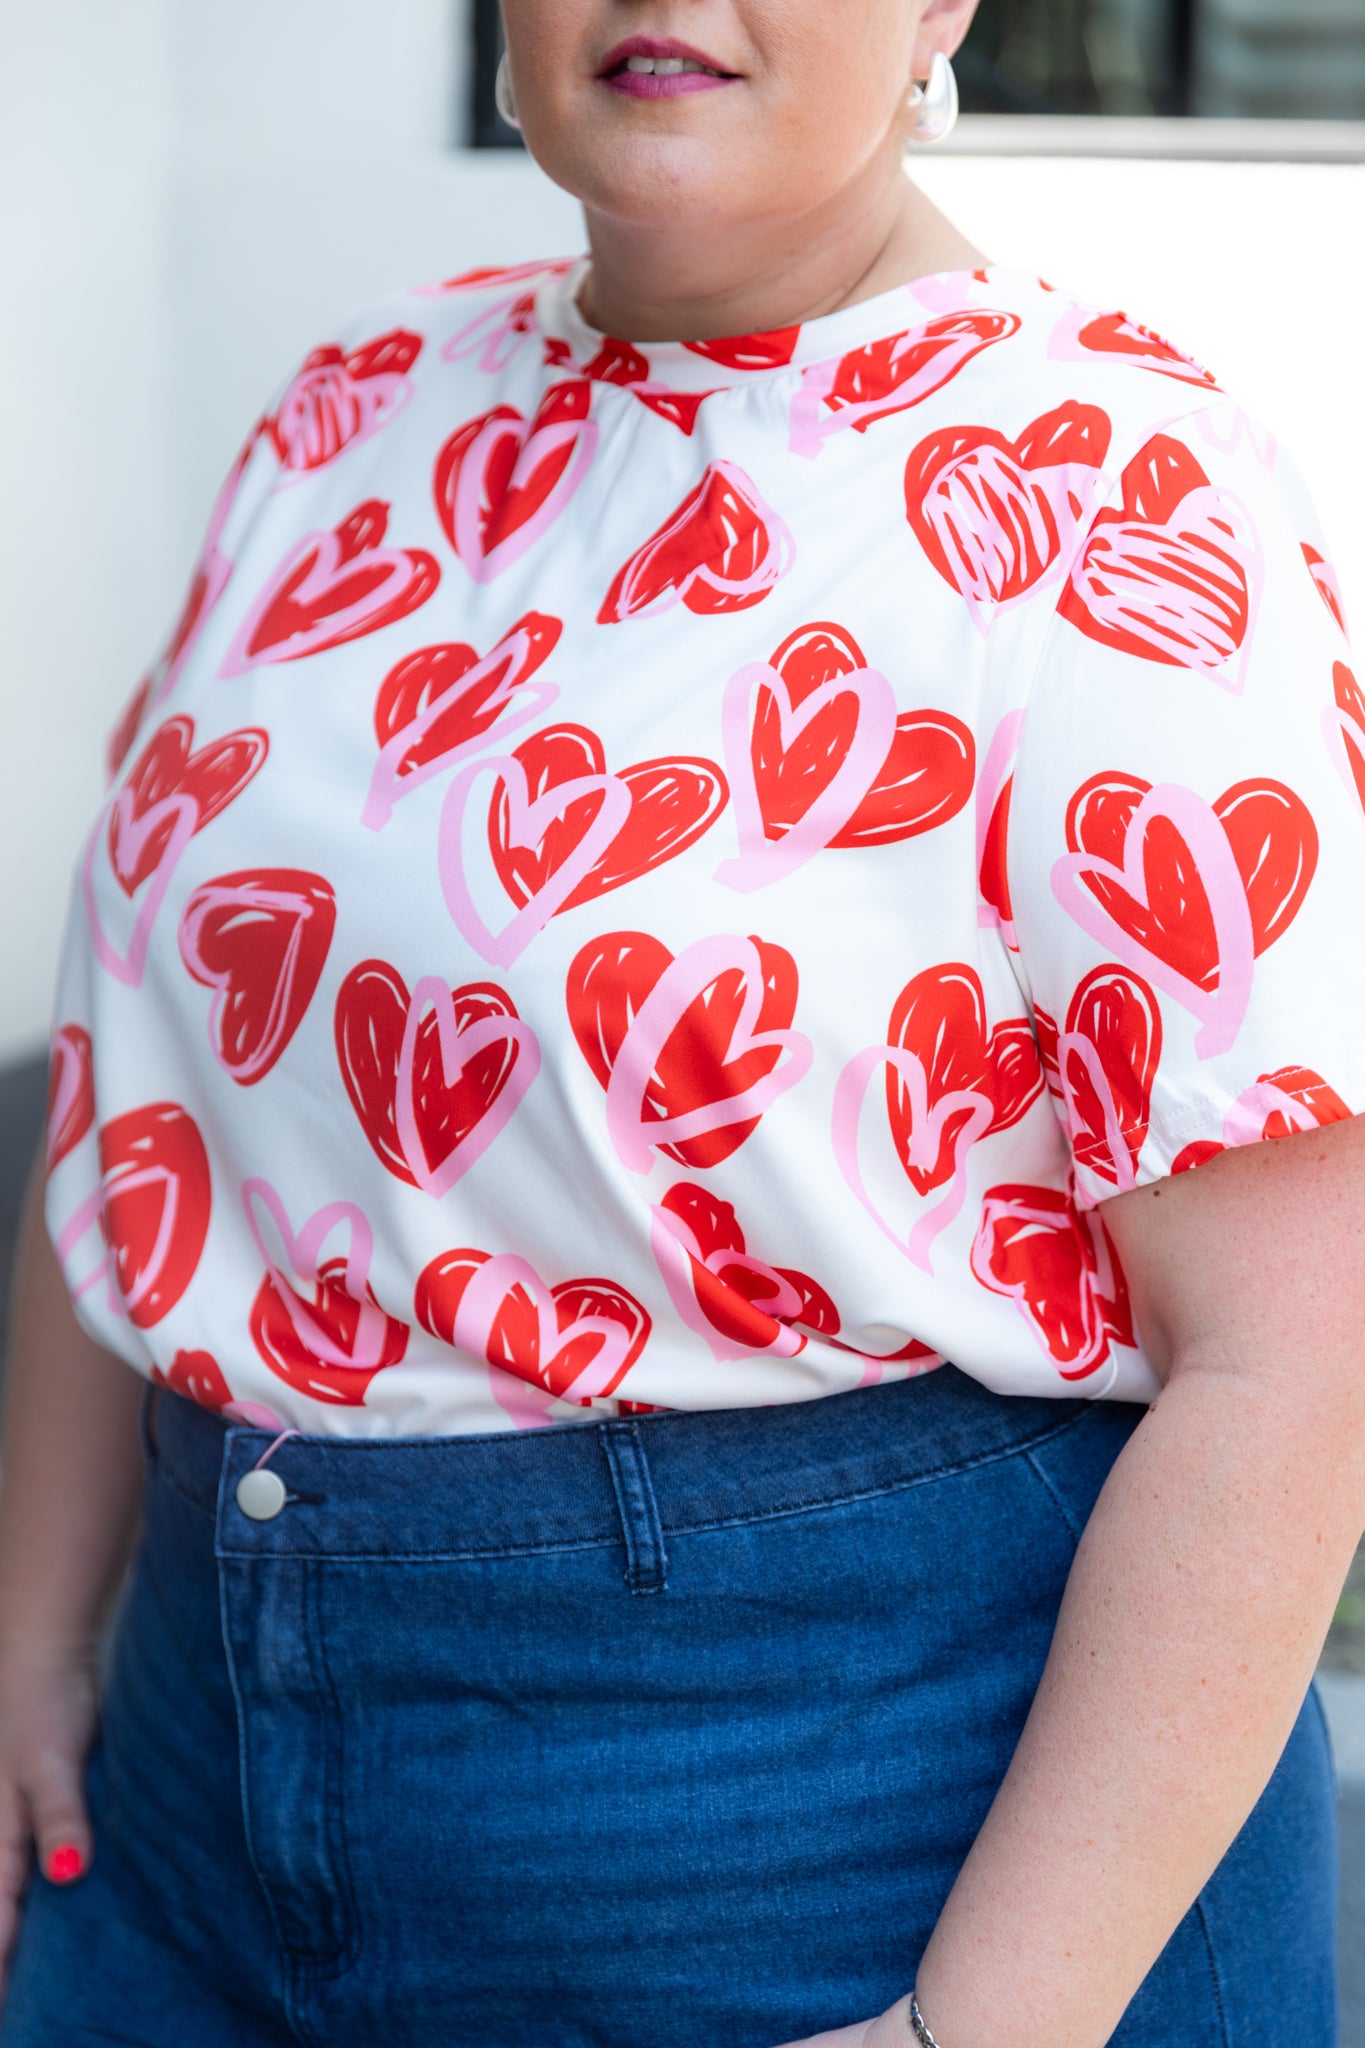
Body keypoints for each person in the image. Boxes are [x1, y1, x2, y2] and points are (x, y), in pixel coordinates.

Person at [1, 0, 1363, 2041]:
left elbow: (1295, 1354)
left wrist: (971, 2027)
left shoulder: (1111, 496)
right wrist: (29, 1638)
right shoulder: (351, 407)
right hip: (193, 1797)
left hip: (835, 1845)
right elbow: (145, 1105)